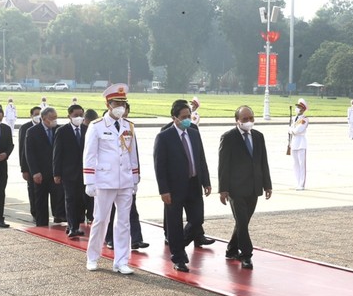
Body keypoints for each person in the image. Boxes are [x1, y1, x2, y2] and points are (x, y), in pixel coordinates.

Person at [84, 83, 139, 275]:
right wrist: (89, 181)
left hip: (124, 180)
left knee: (123, 222)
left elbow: (133, 154)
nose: (121, 108)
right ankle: (93, 257)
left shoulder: (128, 126)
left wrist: (135, 179)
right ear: (108, 104)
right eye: (117, 103)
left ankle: (121, 261)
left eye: (123, 104)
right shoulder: (97, 126)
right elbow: (89, 155)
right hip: (104, 179)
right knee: (100, 220)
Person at [154, 100, 212, 272]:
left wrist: (206, 181)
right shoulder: (164, 137)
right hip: (174, 187)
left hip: (194, 184)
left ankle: (178, 245)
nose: (188, 120)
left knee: (197, 220)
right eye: (184, 117)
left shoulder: (194, 132)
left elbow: (201, 158)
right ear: (175, 118)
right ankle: (178, 257)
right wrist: (163, 190)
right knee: (174, 223)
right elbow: (160, 165)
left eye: (189, 116)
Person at [218, 105, 272, 270]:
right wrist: (223, 189)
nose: (249, 122)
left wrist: (267, 185)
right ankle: (246, 255)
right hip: (236, 189)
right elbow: (223, 165)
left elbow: (263, 162)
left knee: (243, 223)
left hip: (254, 188)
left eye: (251, 118)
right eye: (245, 119)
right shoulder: (229, 137)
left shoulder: (258, 136)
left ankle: (231, 249)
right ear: (237, 121)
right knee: (241, 222)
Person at [105, 102, 149, 250]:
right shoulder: (102, 127)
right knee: (110, 211)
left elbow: (133, 154)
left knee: (131, 209)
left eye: (126, 111)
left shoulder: (129, 127)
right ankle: (110, 238)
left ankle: (136, 239)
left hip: (127, 177)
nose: (124, 114)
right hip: (110, 178)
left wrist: (136, 175)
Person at [25, 107, 66, 226]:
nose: (54, 120)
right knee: (41, 200)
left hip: (55, 173)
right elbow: (29, 154)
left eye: (56, 117)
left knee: (58, 198)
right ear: (43, 118)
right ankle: (41, 224)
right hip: (40, 173)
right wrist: (35, 172)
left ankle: (58, 218)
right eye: (52, 118)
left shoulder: (59, 130)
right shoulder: (32, 131)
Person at [53, 104, 87, 238]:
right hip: (68, 172)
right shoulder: (62, 131)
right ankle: (72, 227)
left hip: (84, 172)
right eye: (76, 115)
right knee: (70, 199)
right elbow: (57, 154)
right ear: (69, 116)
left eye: (81, 115)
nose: (79, 118)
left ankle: (75, 224)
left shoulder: (87, 129)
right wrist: (56, 173)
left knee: (81, 200)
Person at [19, 106, 42, 222]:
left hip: (43, 165)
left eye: (40, 113)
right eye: (36, 114)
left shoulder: (45, 126)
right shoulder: (25, 128)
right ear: (31, 115)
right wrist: (24, 169)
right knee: (32, 191)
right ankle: (35, 212)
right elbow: (22, 150)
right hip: (30, 165)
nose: (38, 116)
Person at [289, 98, 308, 190]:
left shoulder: (304, 119)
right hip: (294, 143)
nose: (297, 108)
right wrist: (292, 130)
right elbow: (292, 130)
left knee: (301, 164)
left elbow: (298, 130)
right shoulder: (294, 118)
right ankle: (297, 183)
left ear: (303, 109)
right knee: (295, 164)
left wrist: (291, 130)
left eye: (299, 107)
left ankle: (301, 184)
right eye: (297, 106)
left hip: (301, 143)